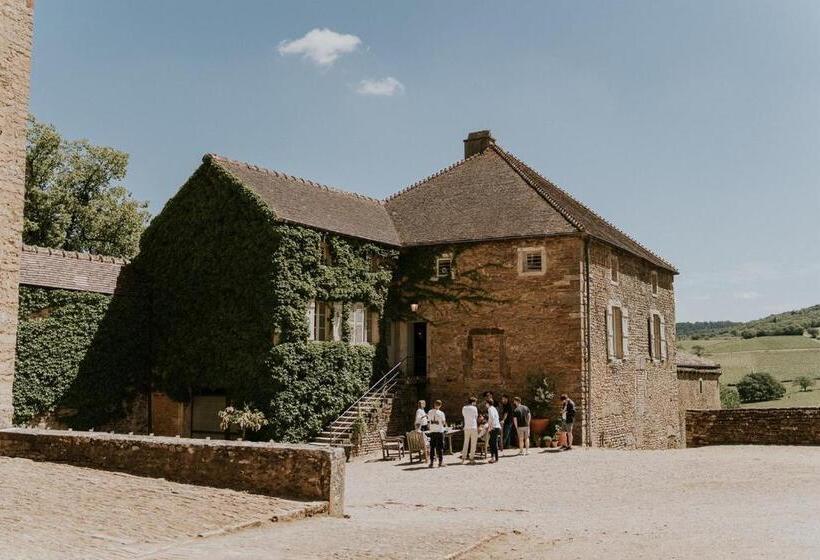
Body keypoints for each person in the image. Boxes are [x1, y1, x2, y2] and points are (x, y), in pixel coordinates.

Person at [427, 400, 446, 468]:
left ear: (434, 404)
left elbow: (428, 421)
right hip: (439, 431)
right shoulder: (441, 413)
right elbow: (443, 422)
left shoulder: (429, 412)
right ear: (440, 405)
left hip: (432, 431)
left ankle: (431, 463)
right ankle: (440, 462)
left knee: (432, 447)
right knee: (440, 448)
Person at [461, 396, 479, 464]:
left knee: (466, 442)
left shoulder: (464, 408)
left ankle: (463, 458)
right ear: (473, 402)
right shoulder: (474, 408)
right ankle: (471, 458)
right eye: (475, 402)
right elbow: (476, 417)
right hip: (473, 426)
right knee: (473, 443)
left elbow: (464, 416)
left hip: (466, 427)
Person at [485, 397, 502, 463]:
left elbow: (491, 417)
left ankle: (495, 458)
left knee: (493, 443)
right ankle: (494, 457)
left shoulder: (490, 409)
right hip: (496, 427)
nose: (485, 404)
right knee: (491, 442)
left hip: (494, 427)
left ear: (488, 403)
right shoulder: (494, 408)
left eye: (486, 403)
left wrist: (490, 427)